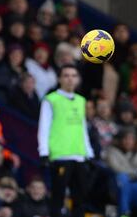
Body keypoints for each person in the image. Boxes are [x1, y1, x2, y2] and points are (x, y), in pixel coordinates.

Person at [38, 64, 94, 217]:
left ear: (78, 79)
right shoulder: (51, 99)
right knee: (58, 197)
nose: (70, 79)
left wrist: (89, 152)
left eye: (73, 75)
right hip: (60, 156)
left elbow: (82, 128)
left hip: (80, 155)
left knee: (80, 199)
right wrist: (43, 152)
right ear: (59, 79)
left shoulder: (81, 100)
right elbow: (44, 127)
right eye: (66, 75)